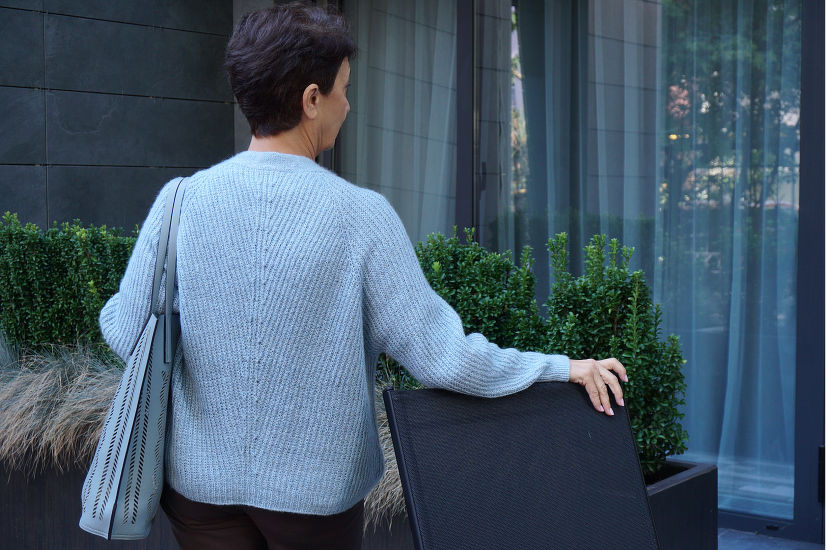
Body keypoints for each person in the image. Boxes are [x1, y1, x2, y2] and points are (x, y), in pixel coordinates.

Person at [98, 2, 628, 549]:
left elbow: (123, 328)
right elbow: (442, 357)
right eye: (344, 90)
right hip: (314, 497)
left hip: (198, 489)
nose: (348, 105)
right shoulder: (360, 216)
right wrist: (560, 367)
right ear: (311, 100)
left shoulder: (180, 201)